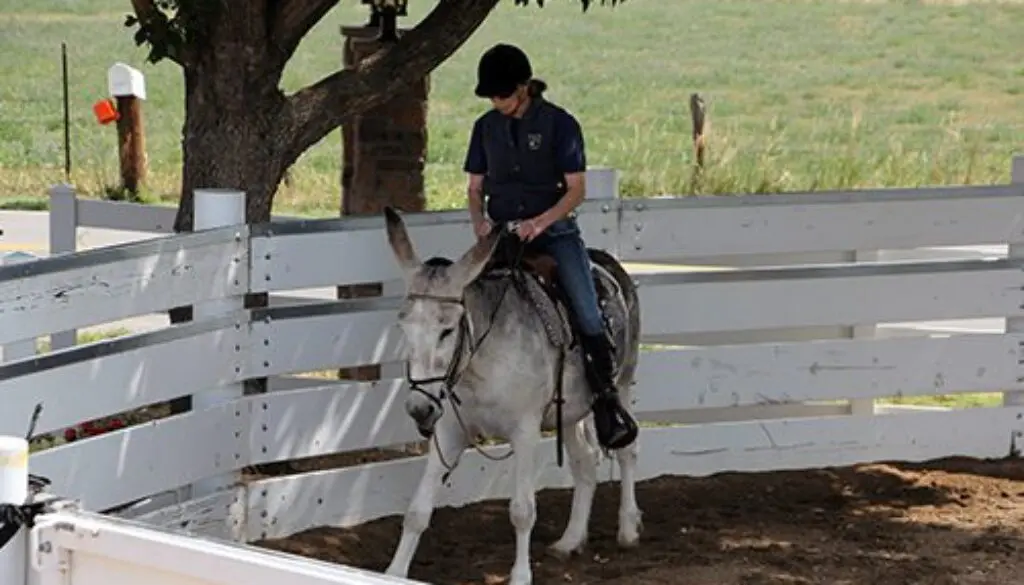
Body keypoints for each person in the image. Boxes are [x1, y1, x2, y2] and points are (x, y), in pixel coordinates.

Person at [462, 43, 638, 451]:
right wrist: (478, 221)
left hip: (555, 236)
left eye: (502, 94)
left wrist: (540, 222)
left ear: (524, 88)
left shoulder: (561, 125)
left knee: (589, 314)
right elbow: (474, 187)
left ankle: (606, 402)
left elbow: (576, 190)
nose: (496, 101)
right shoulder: (485, 128)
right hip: (501, 237)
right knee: (459, 304)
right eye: (491, 95)